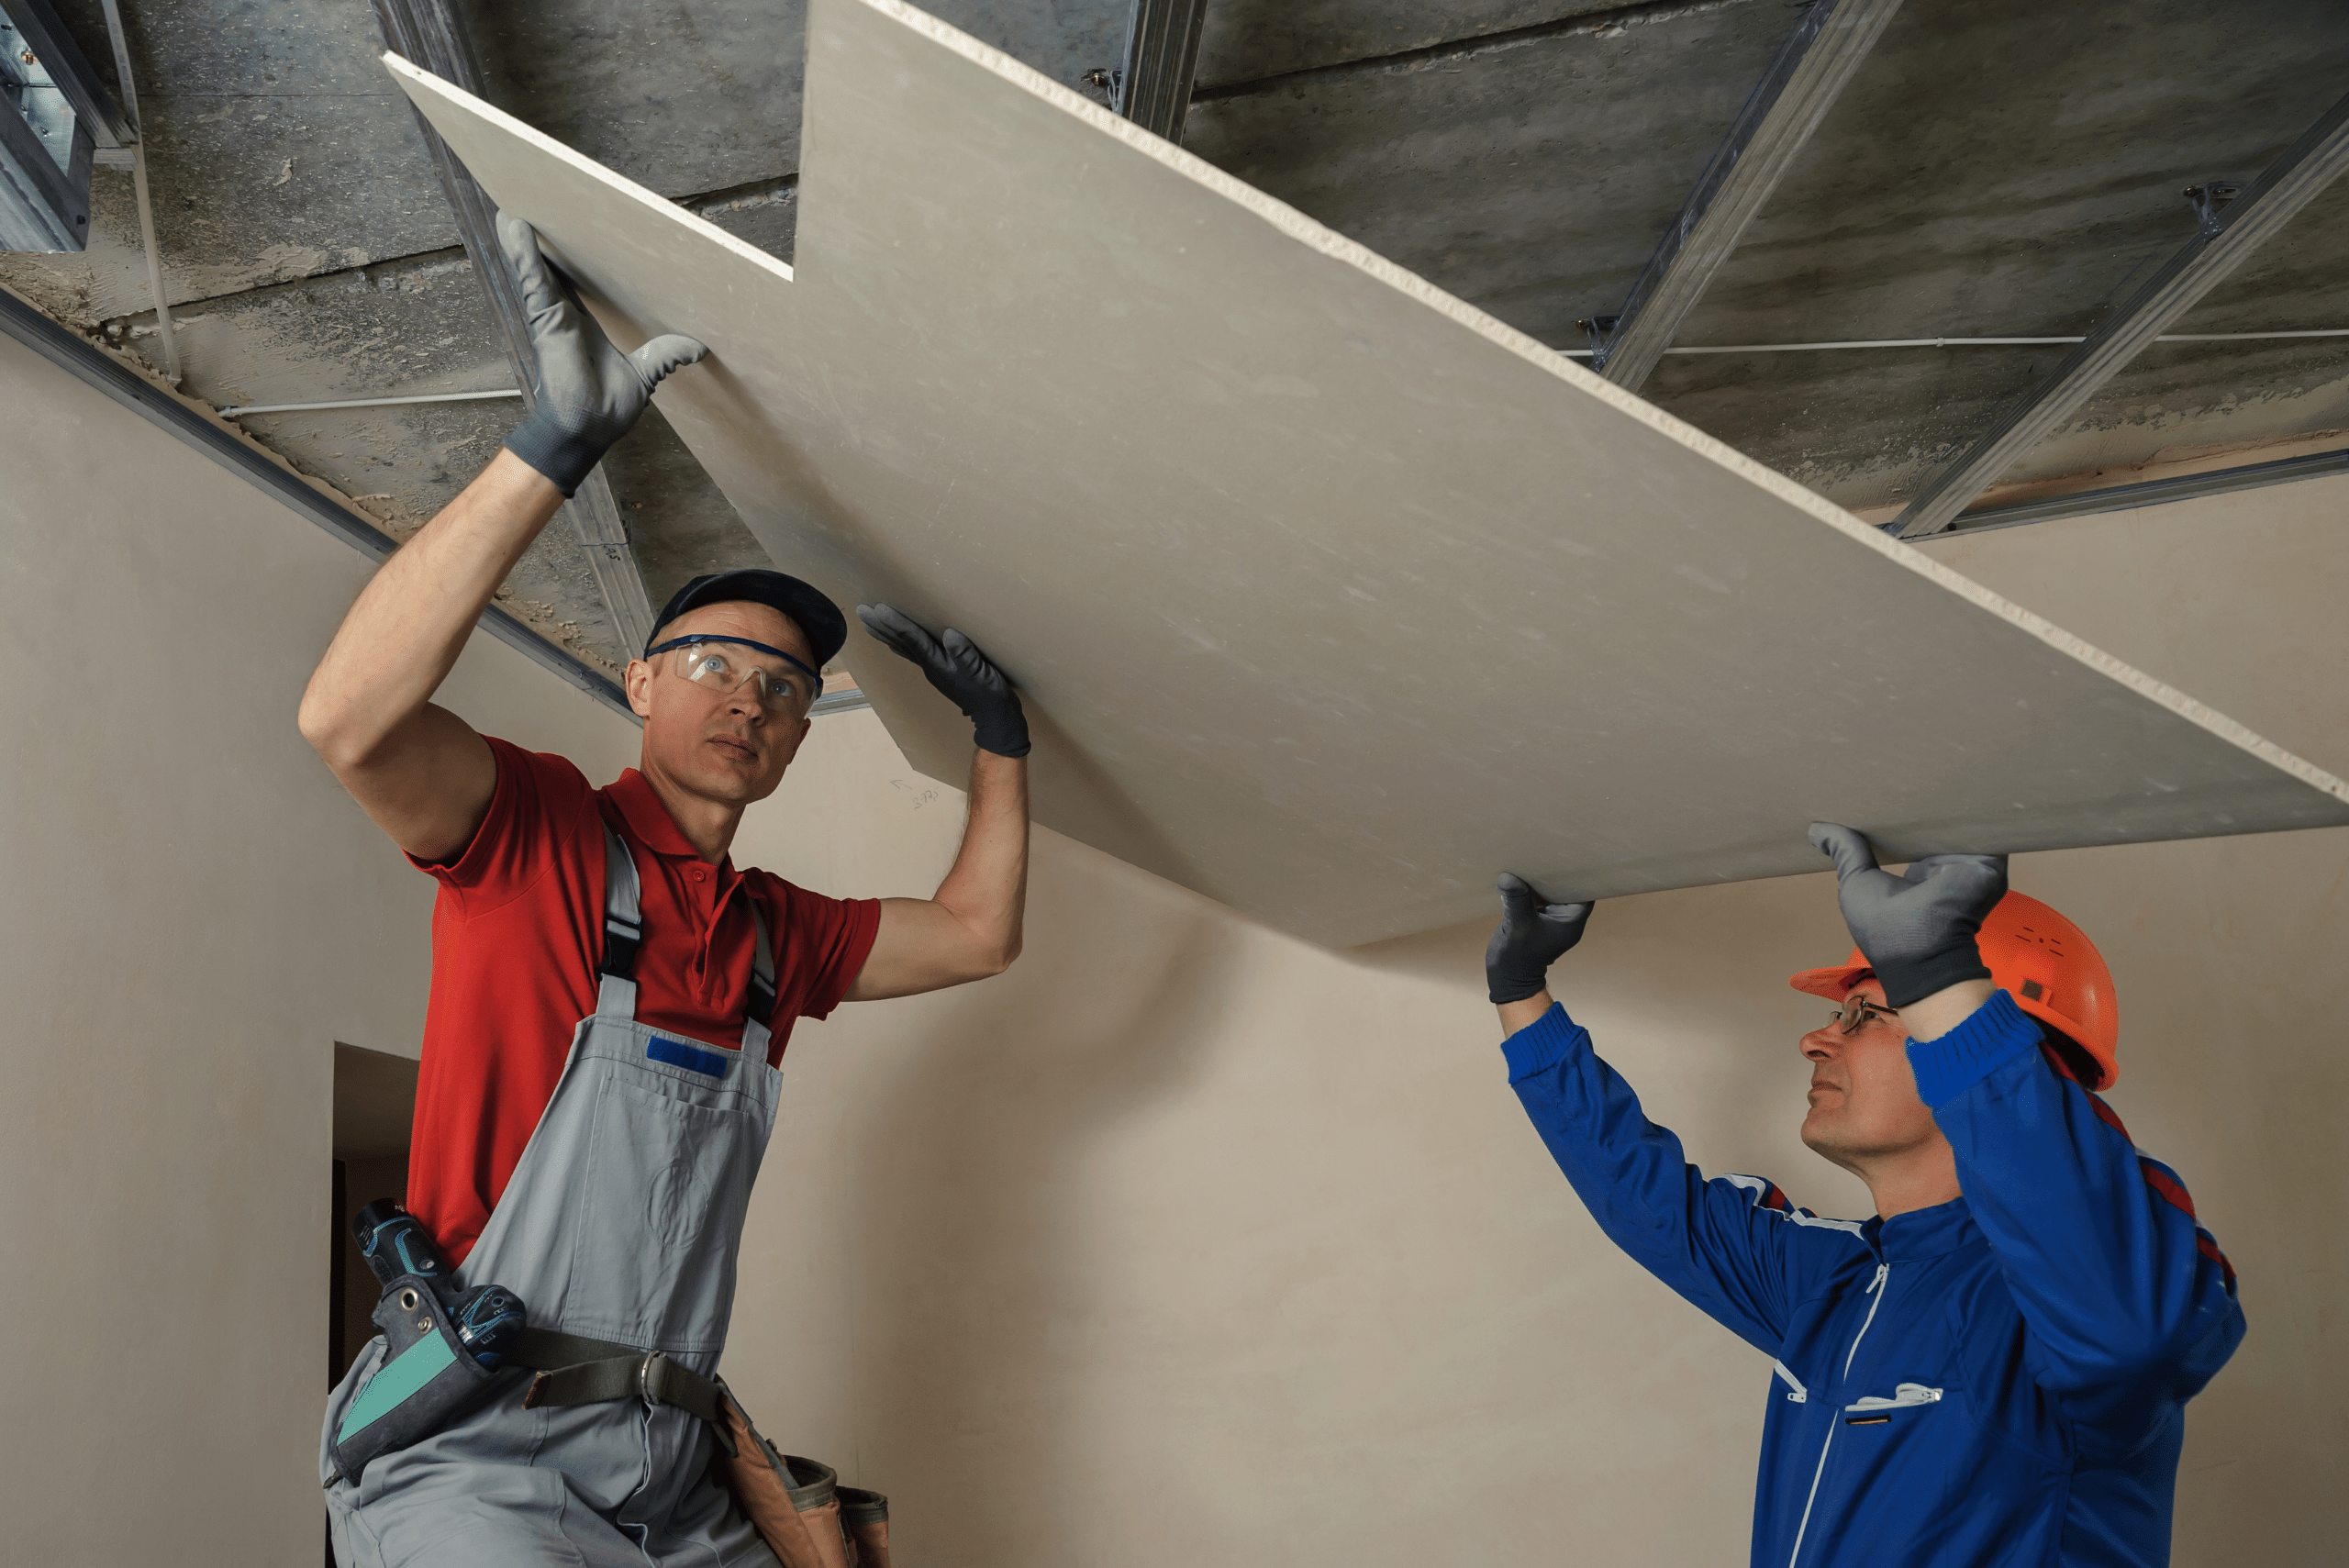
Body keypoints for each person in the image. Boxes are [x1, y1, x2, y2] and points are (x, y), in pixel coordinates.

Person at [302, 215, 1030, 1565]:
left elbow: (980, 932)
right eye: (710, 663)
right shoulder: (537, 836)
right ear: (636, 683)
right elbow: (347, 719)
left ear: (803, 735)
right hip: (478, 1456)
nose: (748, 698)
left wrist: (1001, 745)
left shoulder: (774, 940)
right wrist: (551, 450)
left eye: (785, 687)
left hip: (677, 1473)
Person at [1485, 823, 2243, 1568]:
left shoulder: (2063, 1302)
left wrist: (1939, 972)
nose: (1817, 1040)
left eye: (1864, 1014)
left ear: (1994, 1044)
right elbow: (1651, 1202)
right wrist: (1522, 997)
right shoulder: (1839, 1281)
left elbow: (2130, 1322)